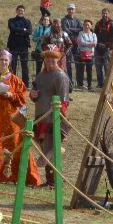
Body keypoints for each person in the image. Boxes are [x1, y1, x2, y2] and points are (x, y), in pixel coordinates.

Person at [0, 50, 42, 186]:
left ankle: (16, 175)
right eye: (1, 60)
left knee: (15, 142)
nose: (3, 62)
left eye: (6, 60)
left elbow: (22, 99)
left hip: (11, 117)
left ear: (9, 62)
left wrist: (11, 95)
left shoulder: (16, 80)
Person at [30, 46, 71, 186]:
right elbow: (35, 91)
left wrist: (58, 117)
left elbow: (64, 100)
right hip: (40, 115)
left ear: (57, 61)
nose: (49, 63)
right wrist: (32, 95)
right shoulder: (40, 76)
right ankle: (50, 180)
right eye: (47, 60)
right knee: (45, 148)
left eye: (52, 60)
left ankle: (54, 181)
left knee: (52, 148)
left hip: (53, 117)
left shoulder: (61, 76)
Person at [6, 4, 32, 81]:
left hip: (24, 45)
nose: (20, 12)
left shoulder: (27, 21)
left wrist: (18, 31)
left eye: (22, 11)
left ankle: (25, 83)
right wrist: (23, 30)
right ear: (16, 11)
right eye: (19, 10)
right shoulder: (11, 20)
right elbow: (12, 28)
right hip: (13, 45)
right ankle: (12, 81)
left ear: (24, 12)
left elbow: (29, 31)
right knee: (12, 64)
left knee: (24, 65)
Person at [59, 3, 83, 78]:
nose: (71, 10)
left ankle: (79, 82)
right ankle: (69, 80)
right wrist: (75, 30)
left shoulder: (77, 20)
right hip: (67, 43)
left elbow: (81, 29)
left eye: (72, 9)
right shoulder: (64, 20)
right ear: (67, 10)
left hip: (76, 43)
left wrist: (71, 29)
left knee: (78, 62)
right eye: (69, 9)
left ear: (74, 10)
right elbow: (65, 30)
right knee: (68, 62)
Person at [94, 8, 113, 89]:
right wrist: (97, 44)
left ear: (108, 14)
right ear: (101, 14)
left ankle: (108, 84)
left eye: (106, 13)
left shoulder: (112, 24)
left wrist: (109, 47)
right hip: (98, 47)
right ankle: (100, 83)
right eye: (103, 13)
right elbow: (95, 35)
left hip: (107, 48)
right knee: (98, 66)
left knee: (107, 67)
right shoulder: (98, 24)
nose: (105, 15)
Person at [74, 19, 97, 90]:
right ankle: (80, 84)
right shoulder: (80, 33)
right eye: (85, 25)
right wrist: (90, 43)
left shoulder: (93, 34)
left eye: (88, 25)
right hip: (81, 53)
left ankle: (89, 85)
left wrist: (86, 43)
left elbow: (95, 43)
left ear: (91, 26)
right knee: (81, 70)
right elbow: (80, 42)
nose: (86, 26)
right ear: (83, 26)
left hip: (91, 54)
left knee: (89, 70)